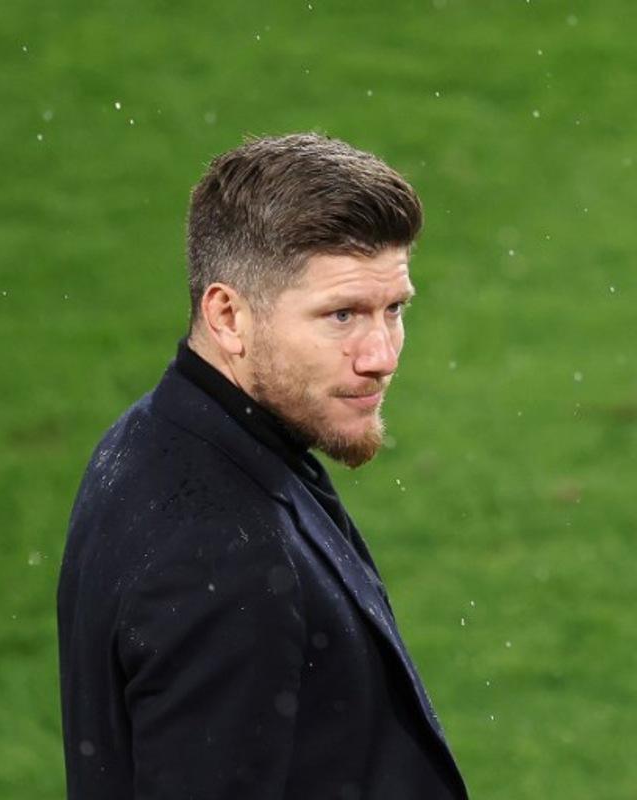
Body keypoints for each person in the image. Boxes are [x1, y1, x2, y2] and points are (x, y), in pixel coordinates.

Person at [57, 133, 468, 799]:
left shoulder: (160, 435)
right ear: (228, 316)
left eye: (394, 310)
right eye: (342, 316)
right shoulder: (222, 558)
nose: (381, 355)